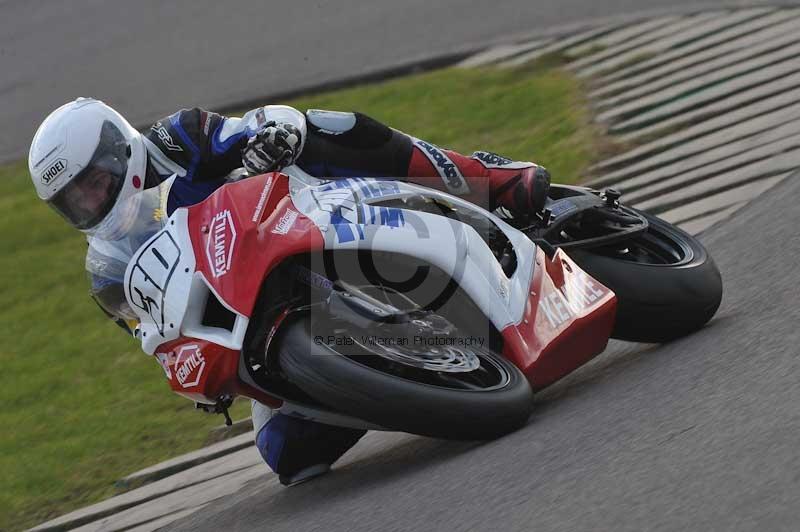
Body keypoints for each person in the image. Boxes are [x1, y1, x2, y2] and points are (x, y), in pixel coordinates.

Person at [28, 97, 551, 486]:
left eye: (93, 181)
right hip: (252, 320)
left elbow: (249, 127)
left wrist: (272, 134)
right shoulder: (106, 269)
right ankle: (412, 369)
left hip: (308, 215)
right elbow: (156, 337)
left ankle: (487, 176)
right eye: (73, 199)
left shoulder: (174, 140)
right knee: (289, 458)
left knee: (324, 128)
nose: (90, 200)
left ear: (118, 152)